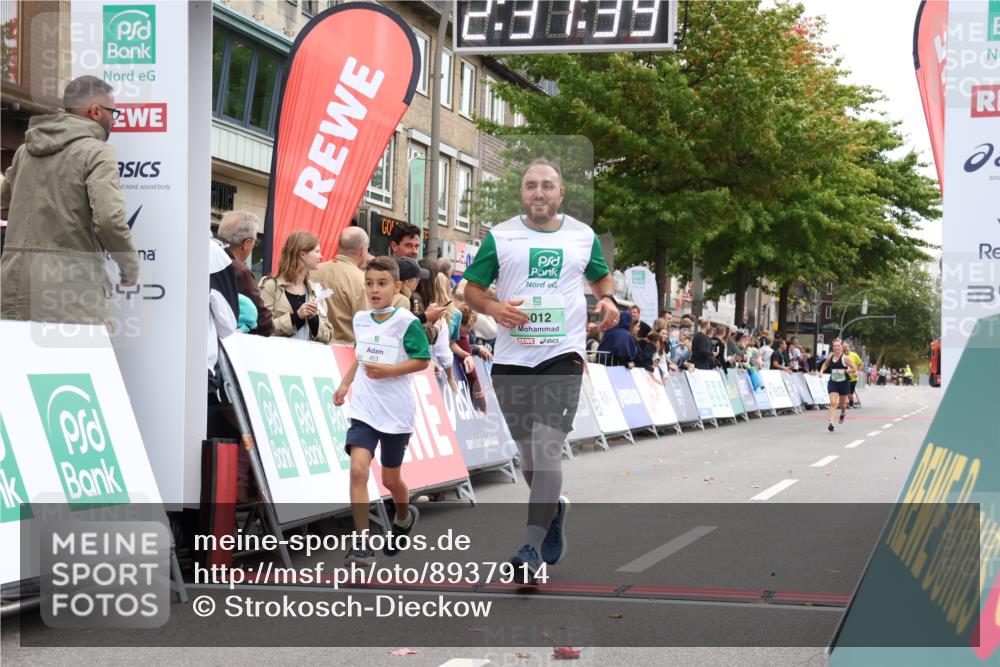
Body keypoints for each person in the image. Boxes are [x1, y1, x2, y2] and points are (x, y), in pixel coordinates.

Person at [462, 158, 616, 580]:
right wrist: (494, 308)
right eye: (531, 185)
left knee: (547, 448)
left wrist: (607, 299)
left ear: (561, 193)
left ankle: (530, 548)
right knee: (529, 458)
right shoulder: (501, 236)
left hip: (563, 355)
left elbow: (601, 278)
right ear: (522, 192)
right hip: (512, 358)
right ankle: (554, 509)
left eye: (548, 185)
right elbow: (472, 289)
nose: (539, 192)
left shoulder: (582, 236)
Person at [1, 75, 139, 325]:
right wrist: (129, 264)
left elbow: (3, 203)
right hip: (71, 290)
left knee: (20, 351)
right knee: (82, 351)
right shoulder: (97, 152)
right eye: (113, 113)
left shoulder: (24, 151)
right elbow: (109, 219)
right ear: (95, 111)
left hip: (15, 285)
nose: (114, 120)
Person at [334, 257, 430, 564]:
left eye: (382, 283)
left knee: (391, 480)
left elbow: (423, 360)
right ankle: (362, 542)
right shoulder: (361, 319)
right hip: (365, 408)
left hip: (396, 412)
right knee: (358, 470)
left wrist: (389, 371)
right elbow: (362, 356)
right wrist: (345, 383)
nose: (374, 290)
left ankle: (403, 517)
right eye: (369, 283)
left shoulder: (406, 321)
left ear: (397, 286)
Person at [259, 231, 332, 342]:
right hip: (276, 352)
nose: (321, 256)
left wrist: (313, 319)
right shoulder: (271, 286)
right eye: (317, 251)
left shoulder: (315, 291)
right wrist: (297, 316)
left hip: (307, 353)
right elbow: (262, 327)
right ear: (302, 254)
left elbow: (328, 336)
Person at [217, 210, 273, 337]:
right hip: (229, 343)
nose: (254, 245)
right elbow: (264, 321)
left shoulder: (205, 260)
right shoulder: (240, 271)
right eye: (255, 241)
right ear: (247, 243)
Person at [310, 226, 368, 344]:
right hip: (345, 350)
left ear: (339, 247)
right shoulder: (363, 281)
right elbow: (365, 326)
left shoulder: (312, 272)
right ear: (363, 250)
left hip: (313, 345)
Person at [818, 338, 858, 432]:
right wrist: (821, 371)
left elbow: (854, 368)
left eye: (838, 346)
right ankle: (831, 423)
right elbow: (825, 364)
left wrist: (844, 371)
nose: (836, 348)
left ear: (841, 347)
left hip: (844, 383)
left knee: (842, 404)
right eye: (834, 346)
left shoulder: (845, 358)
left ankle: (843, 413)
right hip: (833, 382)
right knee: (833, 403)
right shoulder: (831, 357)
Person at [843, 341, 863, 408]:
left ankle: (851, 401)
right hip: (843, 377)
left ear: (849, 348)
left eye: (846, 347)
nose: (845, 349)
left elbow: (860, 364)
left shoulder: (854, 355)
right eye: (844, 347)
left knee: (850, 393)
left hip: (853, 377)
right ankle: (844, 403)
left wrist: (857, 371)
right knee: (844, 391)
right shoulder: (841, 356)